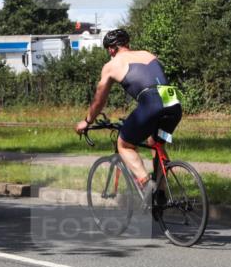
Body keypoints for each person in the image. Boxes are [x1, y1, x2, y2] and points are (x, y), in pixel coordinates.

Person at [75, 28, 182, 206]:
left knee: (124, 144)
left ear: (110, 49)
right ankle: (162, 193)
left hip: (151, 101)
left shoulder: (111, 65)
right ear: (127, 44)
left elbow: (99, 100)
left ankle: (147, 185)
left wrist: (87, 121)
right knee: (156, 142)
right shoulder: (147, 54)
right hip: (173, 101)